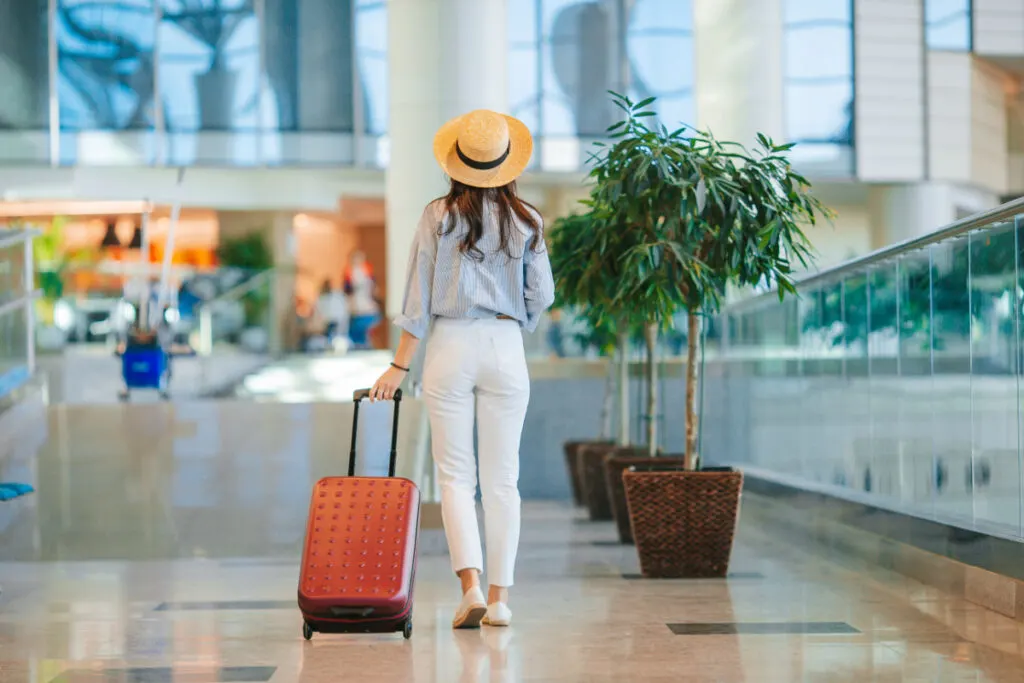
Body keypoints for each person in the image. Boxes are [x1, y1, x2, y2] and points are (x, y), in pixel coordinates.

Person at [370, 109, 554, 629]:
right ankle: (500, 599)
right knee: (503, 480)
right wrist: (514, 319)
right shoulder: (528, 220)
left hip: (449, 344)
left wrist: (398, 366)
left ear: (457, 164)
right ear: (506, 163)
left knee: (454, 477)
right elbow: (543, 294)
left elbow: (418, 297)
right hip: (504, 345)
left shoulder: (437, 215)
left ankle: (469, 588)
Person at [344, 251, 381, 348]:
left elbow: (374, 289)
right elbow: (347, 291)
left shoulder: (367, 272)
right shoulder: (349, 273)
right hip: (355, 309)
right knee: (356, 337)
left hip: (367, 309)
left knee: (366, 336)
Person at [315, 279, 350, 348]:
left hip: (335, 321)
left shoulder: (336, 295)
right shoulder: (322, 298)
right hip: (331, 321)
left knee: (336, 338)